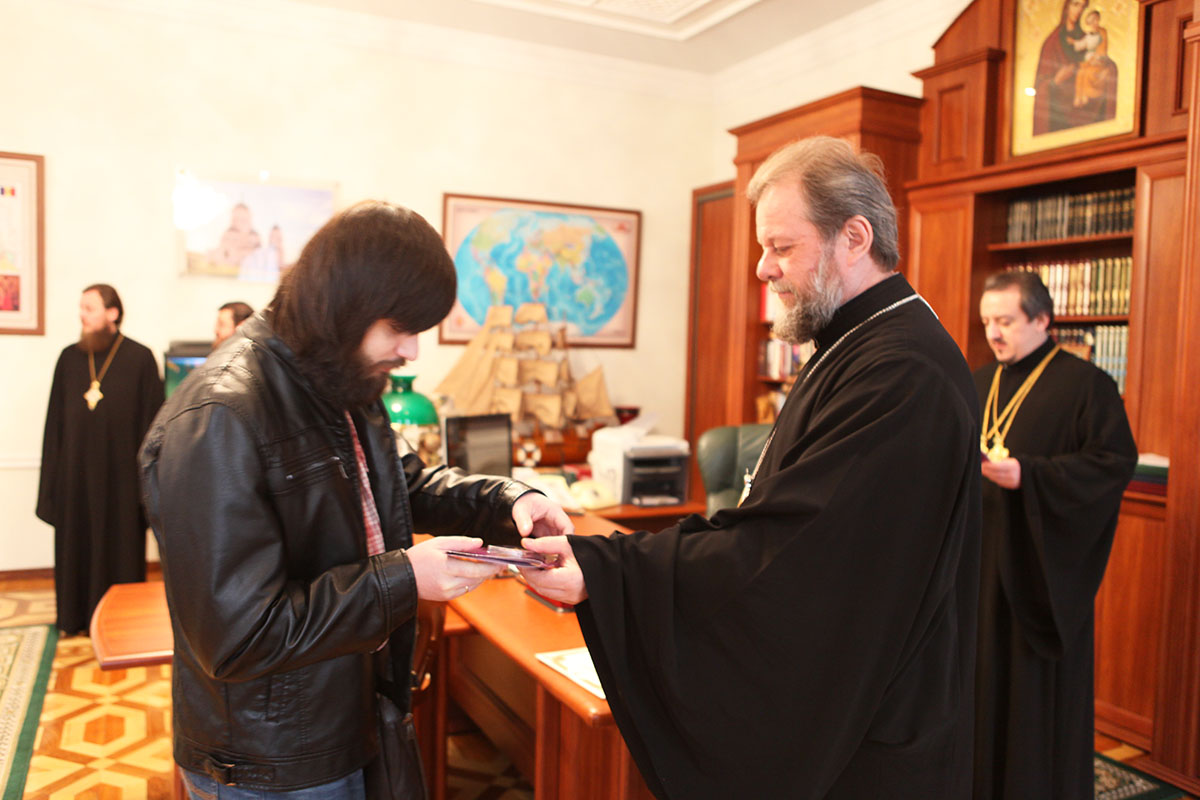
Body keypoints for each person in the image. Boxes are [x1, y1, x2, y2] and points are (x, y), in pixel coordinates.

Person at [521, 136, 982, 799]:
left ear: (854, 237)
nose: (763, 269)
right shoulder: (858, 343)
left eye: (781, 247)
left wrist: (607, 569)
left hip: (874, 730)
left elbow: (794, 549)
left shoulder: (900, 369)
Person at [139, 200, 573, 797]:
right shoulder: (220, 416)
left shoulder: (339, 373)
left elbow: (401, 484)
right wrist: (403, 579)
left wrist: (507, 500)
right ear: (344, 307)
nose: (412, 351)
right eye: (400, 329)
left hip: (347, 712)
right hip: (274, 757)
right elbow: (238, 637)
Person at [972, 270, 1135, 800]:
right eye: (987, 322)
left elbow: (1113, 464)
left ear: (1042, 319)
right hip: (981, 561)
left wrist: (1031, 475)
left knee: (1030, 691)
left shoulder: (1087, 385)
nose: (993, 333)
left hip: (1041, 570)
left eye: (1005, 321)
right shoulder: (979, 382)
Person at [36, 284, 164, 635]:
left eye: (89, 308)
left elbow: (153, 429)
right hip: (74, 480)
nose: (82, 314)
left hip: (120, 484)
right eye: (81, 307)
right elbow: (55, 425)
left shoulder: (140, 358)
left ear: (113, 313)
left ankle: (120, 628)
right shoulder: (69, 359)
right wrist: (52, 484)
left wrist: (146, 490)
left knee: (119, 551)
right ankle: (74, 620)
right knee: (75, 548)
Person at [1032, 0, 1116, 134]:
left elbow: (1102, 58)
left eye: (1083, 6)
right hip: (1060, 119)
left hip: (1091, 108)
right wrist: (1056, 81)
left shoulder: (1089, 37)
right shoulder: (1052, 43)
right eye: (1075, 4)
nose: (1079, 10)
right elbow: (1040, 85)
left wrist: (1107, 71)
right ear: (1066, 6)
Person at [1072, 9, 1115, 109]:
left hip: (1100, 61)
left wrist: (1097, 57)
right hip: (1090, 60)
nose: (1094, 23)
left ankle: (1087, 94)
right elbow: (1081, 45)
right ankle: (1079, 96)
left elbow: (1103, 49)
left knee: (1089, 72)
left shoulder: (1102, 32)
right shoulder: (1089, 35)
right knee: (1080, 72)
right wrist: (1074, 43)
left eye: (1096, 20)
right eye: (1091, 21)